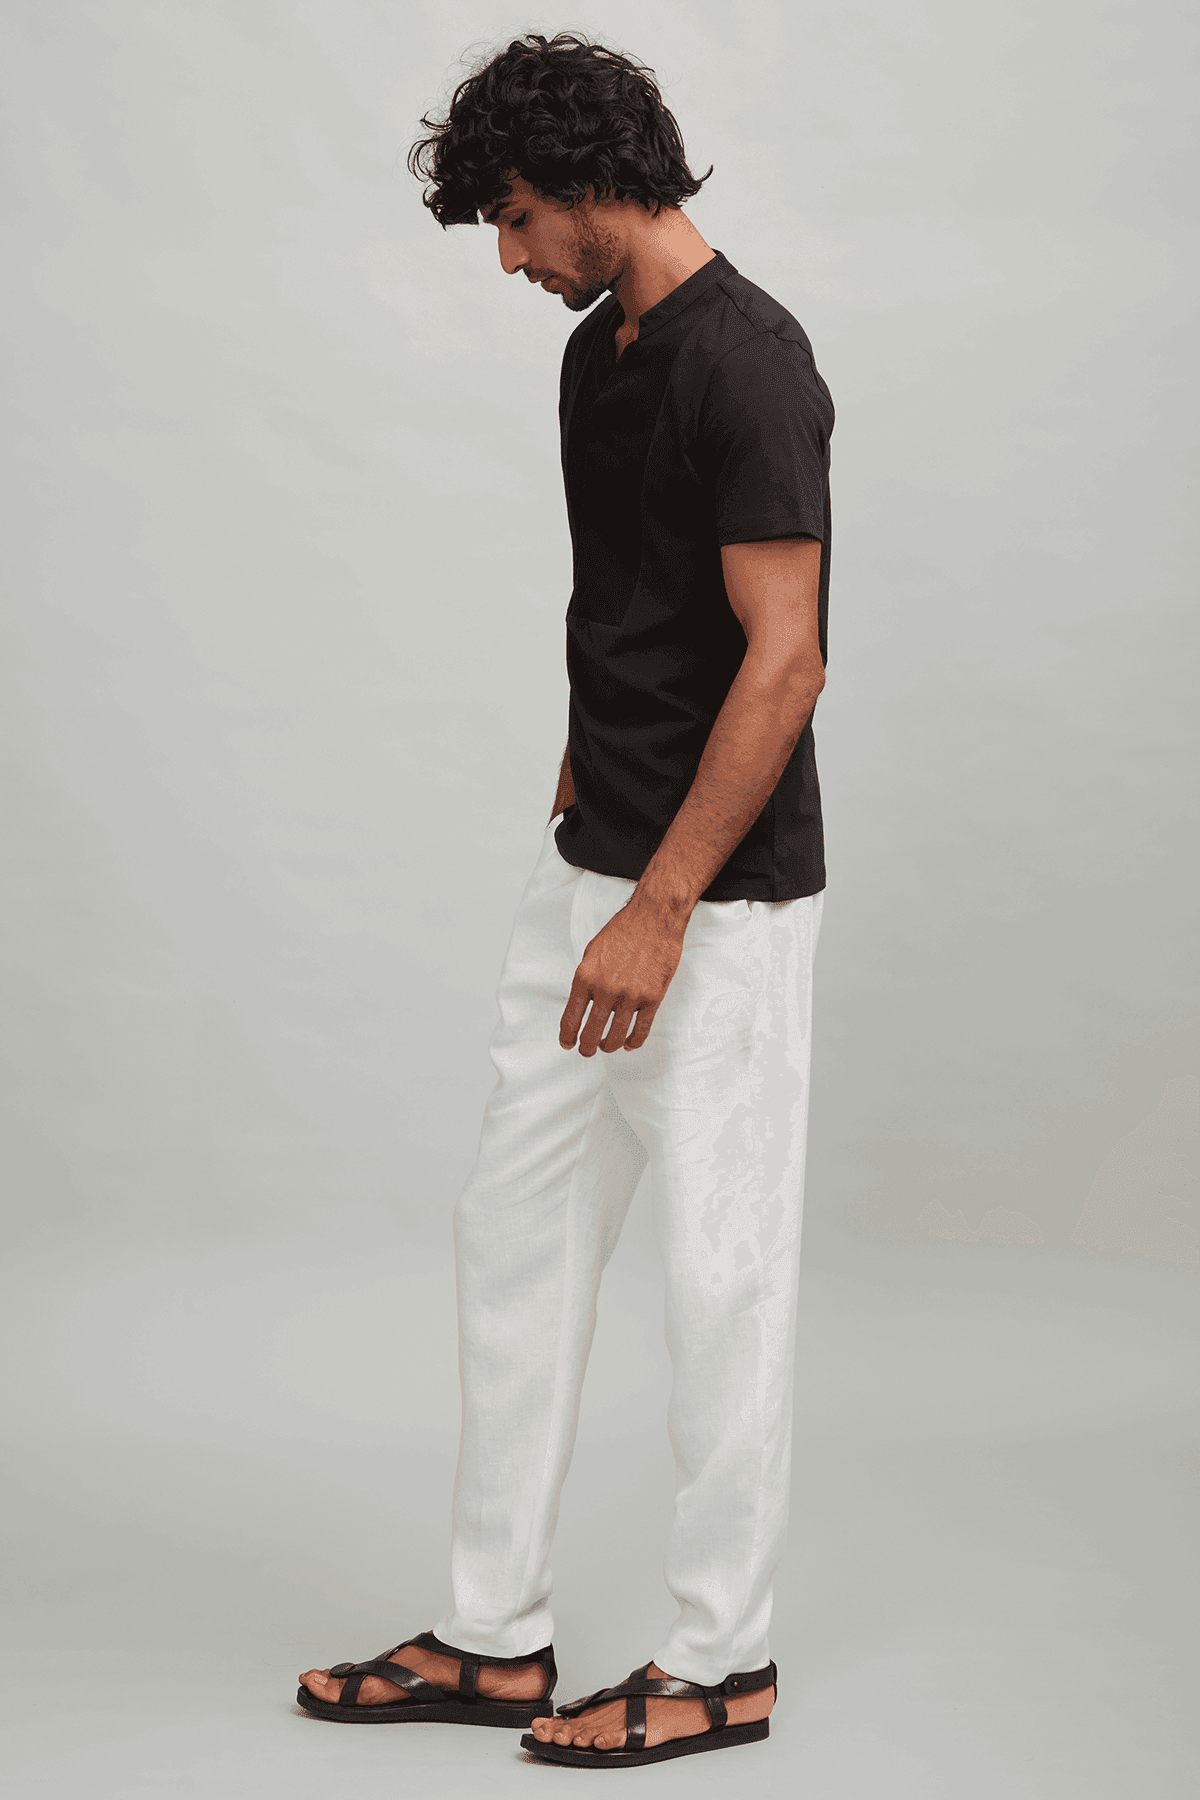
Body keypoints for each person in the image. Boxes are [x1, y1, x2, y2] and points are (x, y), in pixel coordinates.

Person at [296, 30, 834, 1770]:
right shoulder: (597, 354)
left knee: (720, 1281)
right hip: (590, 868)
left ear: (599, 181)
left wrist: (661, 903)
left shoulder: (751, 363)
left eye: (520, 218)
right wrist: (579, 800)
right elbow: (634, 611)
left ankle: (721, 1663)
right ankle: (492, 1635)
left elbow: (784, 660)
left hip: (715, 907)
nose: (511, 257)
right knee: (513, 1239)